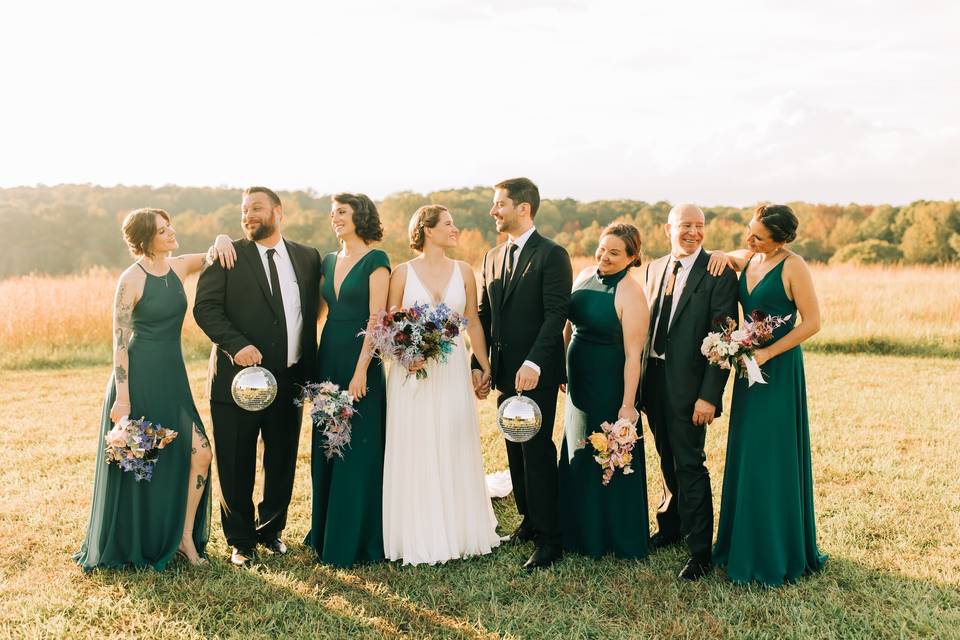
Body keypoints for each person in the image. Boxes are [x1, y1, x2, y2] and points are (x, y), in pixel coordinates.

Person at [75, 208, 229, 570]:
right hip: (139, 378)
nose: (172, 232)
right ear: (146, 239)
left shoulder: (177, 268)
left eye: (170, 224)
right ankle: (138, 540)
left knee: (200, 454)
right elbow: (119, 341)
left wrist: (222, 239)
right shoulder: (131, 279)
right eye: (163, 230)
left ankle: (184, 537)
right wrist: (123, 397)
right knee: (140, 462)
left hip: (172, 377)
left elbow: (210, 256)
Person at [195, 186, 322, 568]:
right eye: (244, 209)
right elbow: (206, 308)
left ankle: (271, 532)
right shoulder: (227, 255)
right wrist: (237, 345)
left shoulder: (307, 256)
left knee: (282, 459)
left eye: (256, 208)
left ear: (278, 212)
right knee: (236, 460)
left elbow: (312, 308)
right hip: (238, 381)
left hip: (291, 378)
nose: (248, 215)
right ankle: (241, 541)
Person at [708, 204, 828, 585]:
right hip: (748, 370)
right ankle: (739, 542)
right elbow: (736, 255)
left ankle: (776, 550)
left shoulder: (794, 267)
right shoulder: (751, 257)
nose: (749, 238)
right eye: (749, 230)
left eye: (758, 235)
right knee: (747, 453)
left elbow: (813, 323)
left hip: (778, 371)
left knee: (772, 455)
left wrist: (767, 353)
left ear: (780, 240)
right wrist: (723, 256)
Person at [382, 205, 502, 565]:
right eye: (448, 224)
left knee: (454, 438)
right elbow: (389, 326)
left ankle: (459, 527)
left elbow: (474, 323)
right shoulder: (401, 273)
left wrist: (483, 364)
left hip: (450, 369)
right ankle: (416, 530)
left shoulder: (464, 271)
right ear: (427, 230)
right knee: (415, 442)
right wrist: (405, 357)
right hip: (411, 372)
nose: (455, 229)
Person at [473, 177, 572, 571]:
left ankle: (551, 540)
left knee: (536, 450)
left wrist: (534, 363)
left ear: (523, 208)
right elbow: (483, 315)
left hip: (536, 373)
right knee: (514, 447)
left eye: (500, 204)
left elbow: (556, 314)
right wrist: (478, 365)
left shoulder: (552, 254)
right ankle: (530, 522)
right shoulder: (492, 257)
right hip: (502, 374)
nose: (493, 211)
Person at [641, 203, 738, 580]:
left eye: (699, 226)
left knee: (690, 463)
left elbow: (724, 339)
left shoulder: (718, 273)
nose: (693, 233)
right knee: (666, 457)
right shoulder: (653, 269)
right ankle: (670, 527)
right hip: (653, 382)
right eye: (685, 226)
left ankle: (699, 550)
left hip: (690, 388)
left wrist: (709, 395)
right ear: (668, 229)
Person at [304, 193, 390, 567]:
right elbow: (318, 310)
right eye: (332, 212)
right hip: (329, 356)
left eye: (342, 211)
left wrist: (360, 370)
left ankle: (354, 540)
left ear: (360, 215)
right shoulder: (327, 260)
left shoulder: (377, 260)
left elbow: (377, 319)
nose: (334, 217)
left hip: (360, 361)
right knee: (327, 445)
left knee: (356, 449)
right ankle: (324, 533)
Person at [558, 223, 651, 559]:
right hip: (577, 384)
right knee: (578, 450)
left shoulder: (630, 292)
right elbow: (567, 328)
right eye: (602, 249)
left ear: (632, 257)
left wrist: (628, 405)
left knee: (606, 453)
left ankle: (611, 536)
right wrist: (560, 367)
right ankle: (577, 531)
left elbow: (633, 355)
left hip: (609, 384)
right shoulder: (583, 274)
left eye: (615, 253)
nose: (605, 257)